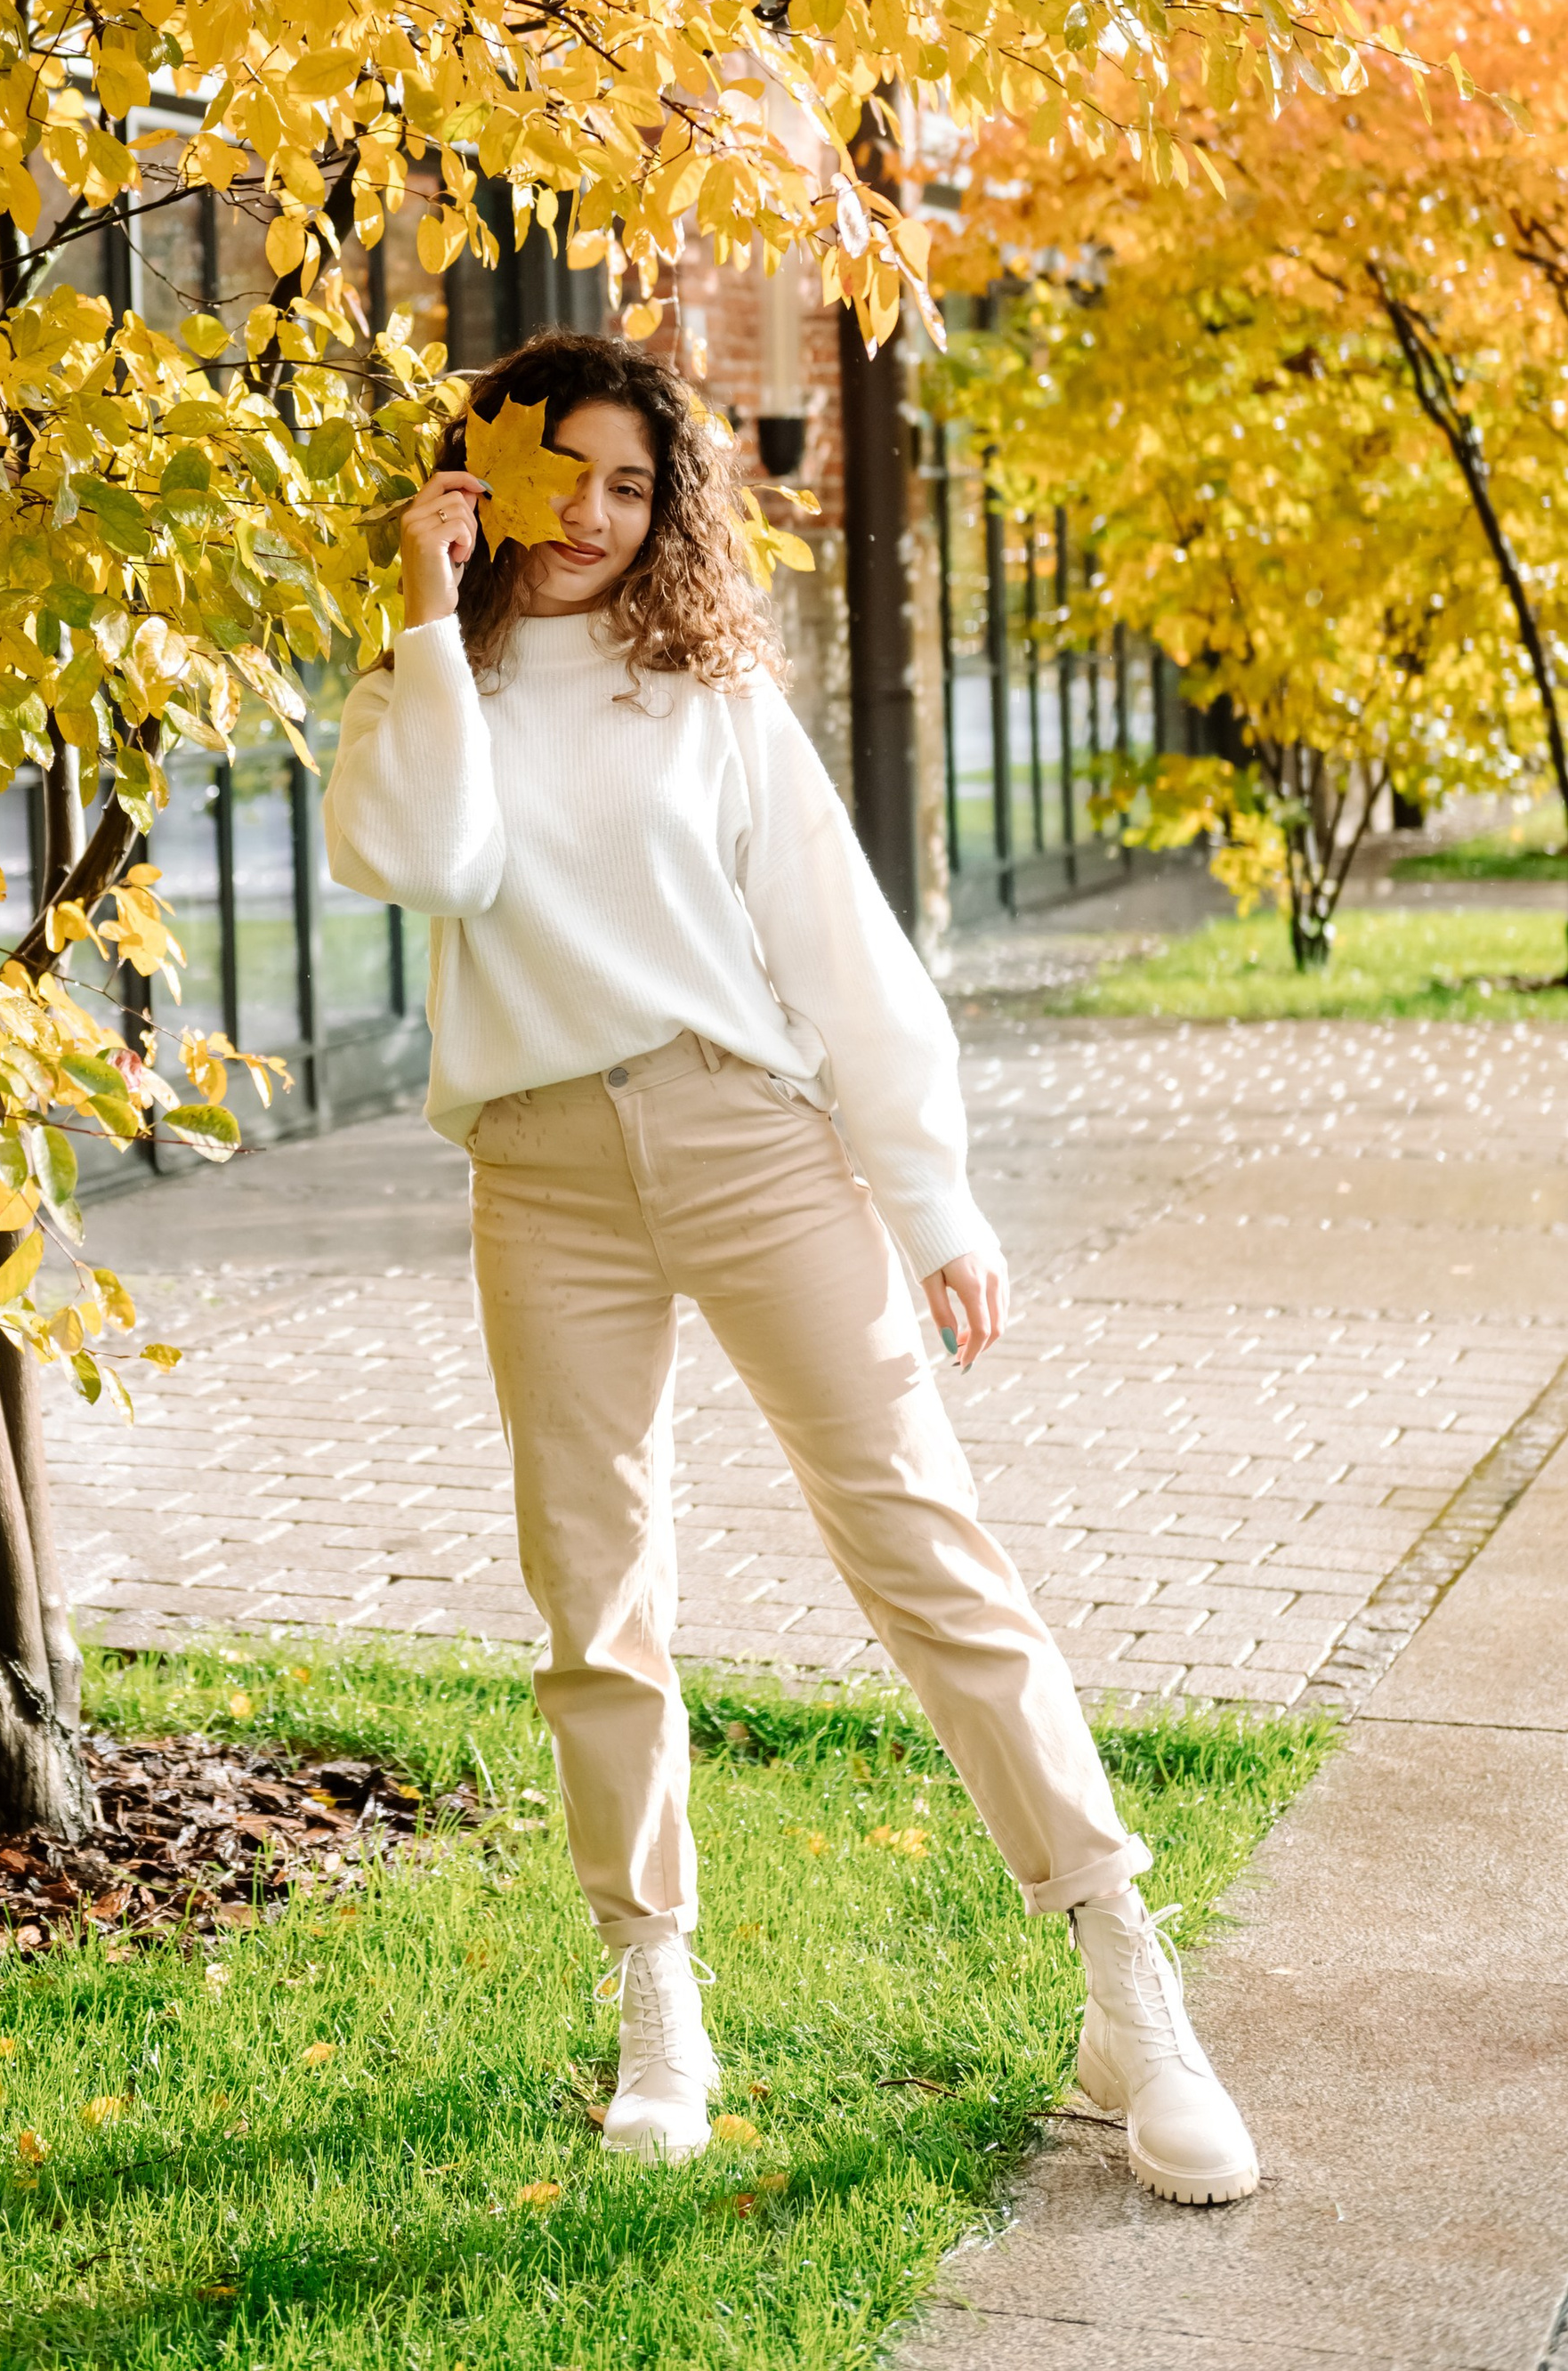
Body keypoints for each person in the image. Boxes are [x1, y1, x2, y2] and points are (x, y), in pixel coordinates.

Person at [321, 329, 1257, 2206]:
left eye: (630, 484)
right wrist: (425, 609)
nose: (590, 515)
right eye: (559, 473)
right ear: (482, 470)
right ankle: (655, 1993)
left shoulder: (708, 686)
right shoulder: (427, 686)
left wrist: (936, 1201)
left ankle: (1125, 1982)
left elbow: (836, 944)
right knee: (594, 1593)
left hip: (747, 1134)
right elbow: (433, 862)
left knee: (923, 1542)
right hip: (543, 1172)